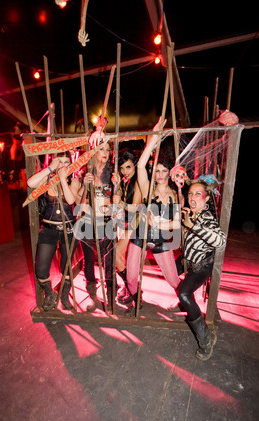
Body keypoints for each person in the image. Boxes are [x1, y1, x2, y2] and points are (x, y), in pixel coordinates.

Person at [126, 119, 181, 315]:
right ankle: (135, 298)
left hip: (160, 240)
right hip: (140, 237)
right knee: (131, 276)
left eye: (163, 171)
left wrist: (158, 221)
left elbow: (176, 224)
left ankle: (184, 300)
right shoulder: (147, 189)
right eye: (156, 170)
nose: (159, 174)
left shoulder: (175, 195)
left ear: (169, 173)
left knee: (173, 279)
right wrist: (154, 138)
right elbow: (140, 166)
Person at [177, 177, 226, 360]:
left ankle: (206, 339)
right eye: (190, 193)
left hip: (202, 265)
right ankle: (188, 305)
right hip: (189, 261)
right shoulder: (191, 213)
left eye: (198, 193)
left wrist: (193, 226)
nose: (192, 197)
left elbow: (221, 241)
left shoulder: (206, 218)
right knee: (171, 271)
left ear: (206, 199)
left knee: (183, 293)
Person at [27, 151, 79, 311]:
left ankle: (64, 294)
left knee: (66, 267)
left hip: (68, 230)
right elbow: (31, 183)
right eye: (59, 161)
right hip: (48, 229)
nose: (63, 165)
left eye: (66, 162)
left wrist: (63, 178)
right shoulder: (48, 179)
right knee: (41, 269)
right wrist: (50, 168)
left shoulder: (74, 181)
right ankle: (50, 293)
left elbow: (71, 200)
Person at [74, 140, 120, 311]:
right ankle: (92, 295)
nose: (106, 152)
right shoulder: (85, 173)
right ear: (93, 152)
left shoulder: (112, 173)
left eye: (108, 149)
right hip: (88, 221)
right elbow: (78, 201)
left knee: (108, 261)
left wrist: (118, 186)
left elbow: (118, 197)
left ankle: (110, 296)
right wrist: (84, 186)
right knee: (88, 260)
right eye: (102, 149)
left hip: (106, 222)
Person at [112, 148, 142, 305]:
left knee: (116, 254)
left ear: (135, 166)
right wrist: (116, 185)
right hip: (123, 222)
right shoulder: (126, 181)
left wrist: (121, 203)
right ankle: (130, 288)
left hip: (135, 223)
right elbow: (118, 201)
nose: (124, 171)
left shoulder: (138, 181)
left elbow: (136, 207)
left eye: (128, 167)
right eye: (122, 168)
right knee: (121, 257)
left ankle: (134, 291)